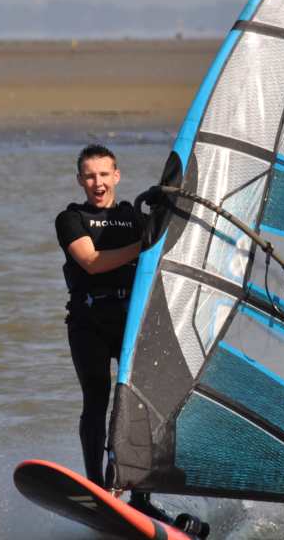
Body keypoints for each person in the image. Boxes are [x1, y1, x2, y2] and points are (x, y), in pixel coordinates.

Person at [55, 143, 169, 522]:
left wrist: (165, 211)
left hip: (130, 320)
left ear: (116, 175)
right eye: (90, 176)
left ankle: (140, 496)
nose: (98, 182)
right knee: (96, 400)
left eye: (104, 174)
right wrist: (144, 245)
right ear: (80, 180)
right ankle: (97, 489)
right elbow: (91, 261)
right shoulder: (70, 219)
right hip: (88, 323)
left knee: (140, 403)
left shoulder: (133, 217)